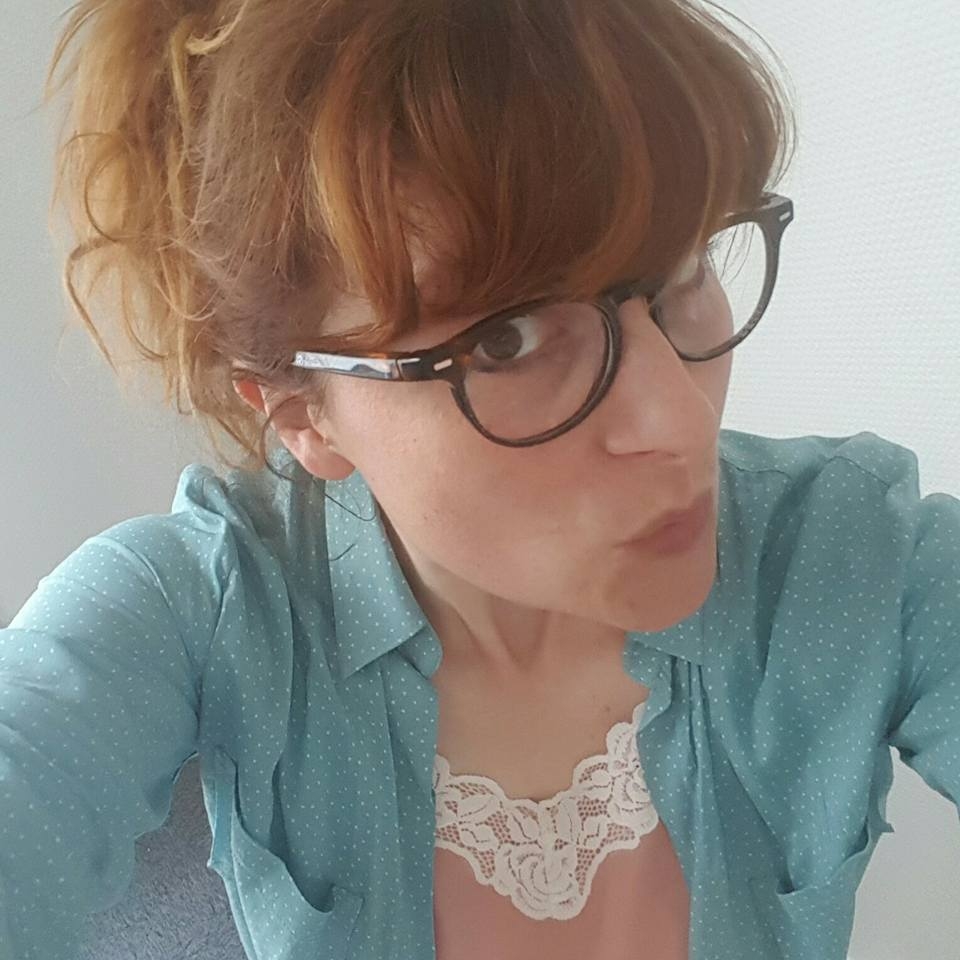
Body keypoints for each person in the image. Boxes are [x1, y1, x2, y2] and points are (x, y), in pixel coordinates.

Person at [2, 1, 957, 958]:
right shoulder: (205, 606)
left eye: (684, 269)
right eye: (508, 339)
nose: (678, 421)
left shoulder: (851, 558)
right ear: (301, 414)